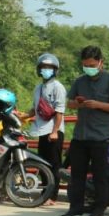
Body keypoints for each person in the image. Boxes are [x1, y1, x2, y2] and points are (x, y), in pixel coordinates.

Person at [61, 45, 109, 216]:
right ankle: (75, 208)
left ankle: (99, 210)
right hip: (80, 135)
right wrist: (79, 103)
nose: (88, 68)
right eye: (85, 65)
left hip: (101, 136)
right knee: (77, 175)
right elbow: (70, 103)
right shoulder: (80, 81)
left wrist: (98, 105)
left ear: (100, 63)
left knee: (100, 176)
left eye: (91, 64)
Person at [29, 53, 66, 206]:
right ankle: (45, 193)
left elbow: (59, 111)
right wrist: (24, 115)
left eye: (49, 67)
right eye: (43, 67)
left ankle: (53, 196)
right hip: (41, 131)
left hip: (53, 131)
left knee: (54, 164)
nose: (46, 70)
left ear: (55, 70)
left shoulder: (58, 87)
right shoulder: (38, 88)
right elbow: (36, 109)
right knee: (43, 163)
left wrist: (55, 131)